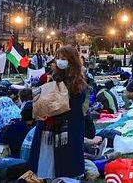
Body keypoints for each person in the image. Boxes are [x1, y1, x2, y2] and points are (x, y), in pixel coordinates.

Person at [29, 45, 88, 179]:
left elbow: (75, 106)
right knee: (45, 161)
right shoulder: (52, 76)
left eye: (64, 58)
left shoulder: (77, 81)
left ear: (72, 60)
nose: (60, 61)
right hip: (47, 127)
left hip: (67, 127)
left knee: (65, 165)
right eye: (58, 58)